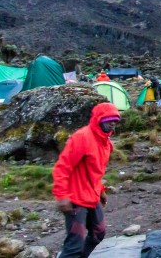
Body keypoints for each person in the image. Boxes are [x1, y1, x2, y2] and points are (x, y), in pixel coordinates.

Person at [53, 103, 121, 257]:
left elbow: (95, 171)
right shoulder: (82, 137)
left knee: (99, 232)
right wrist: (62, 195)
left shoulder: (105, 143)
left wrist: (101, 190)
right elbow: (62, 167)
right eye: (108, 120)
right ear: (98, 120)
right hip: (75, 197)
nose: (112, 123)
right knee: (74, 245)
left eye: (115, 120)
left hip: (91, 194)